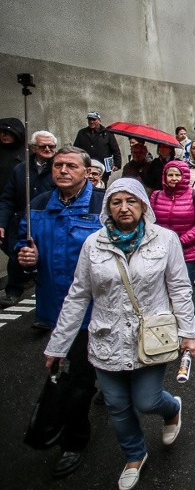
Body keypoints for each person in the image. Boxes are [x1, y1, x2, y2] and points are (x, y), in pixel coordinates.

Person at [44, 178, 195, 490]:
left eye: (131, 201)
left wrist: (188, 332)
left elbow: (180, 289)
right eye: (116, 202)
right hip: (106, 337)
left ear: (143, 205)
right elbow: (77, 296)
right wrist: (57, 345)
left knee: (147, 400)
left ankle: (172, 409)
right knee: (116, 404)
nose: (124, 208)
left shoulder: (165, 240)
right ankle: (133, 454)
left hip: (152, 337)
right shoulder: (93, 244)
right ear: (107, 207)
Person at [16, 146, 104, 477]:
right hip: (57, 309)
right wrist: (24, 257)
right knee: (71, 378)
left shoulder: (101, 205)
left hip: (98, 309)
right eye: (57, 165)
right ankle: (74, 439)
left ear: (86, 171)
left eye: (70, 165)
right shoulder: (39, 205)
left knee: (86, 376)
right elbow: (23, 245)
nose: (62, 170)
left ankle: (79, 433)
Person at [0, 130, 57, 307]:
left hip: (50, 221)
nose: (47, 149)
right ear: (33, 148)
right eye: (43, 146)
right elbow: (8, 199)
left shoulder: (59, 168)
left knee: (47, 261)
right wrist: (1, 223)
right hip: (22, 222)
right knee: (18, 256)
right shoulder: (20, 169)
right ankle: (13, 291)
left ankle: (47, 303)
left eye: (51, 146)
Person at [150, 161, 195, 278]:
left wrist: (179, 241)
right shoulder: (156, 195)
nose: (174, 178)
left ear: (185, 176)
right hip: (161, 250)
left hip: (188, 252)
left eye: (177, 175)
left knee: (185, 290)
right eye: (170, 175)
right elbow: (150, 220)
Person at [73, 111, 121, 182]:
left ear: (99, 120)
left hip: (103, 166)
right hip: (87, 166)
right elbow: (76, 149)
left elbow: (115, 150)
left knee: (101, 185)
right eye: (90, 120)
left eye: (94, 120)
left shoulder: (107, 133)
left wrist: (117, 164)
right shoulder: (82, 133)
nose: (91, 122)